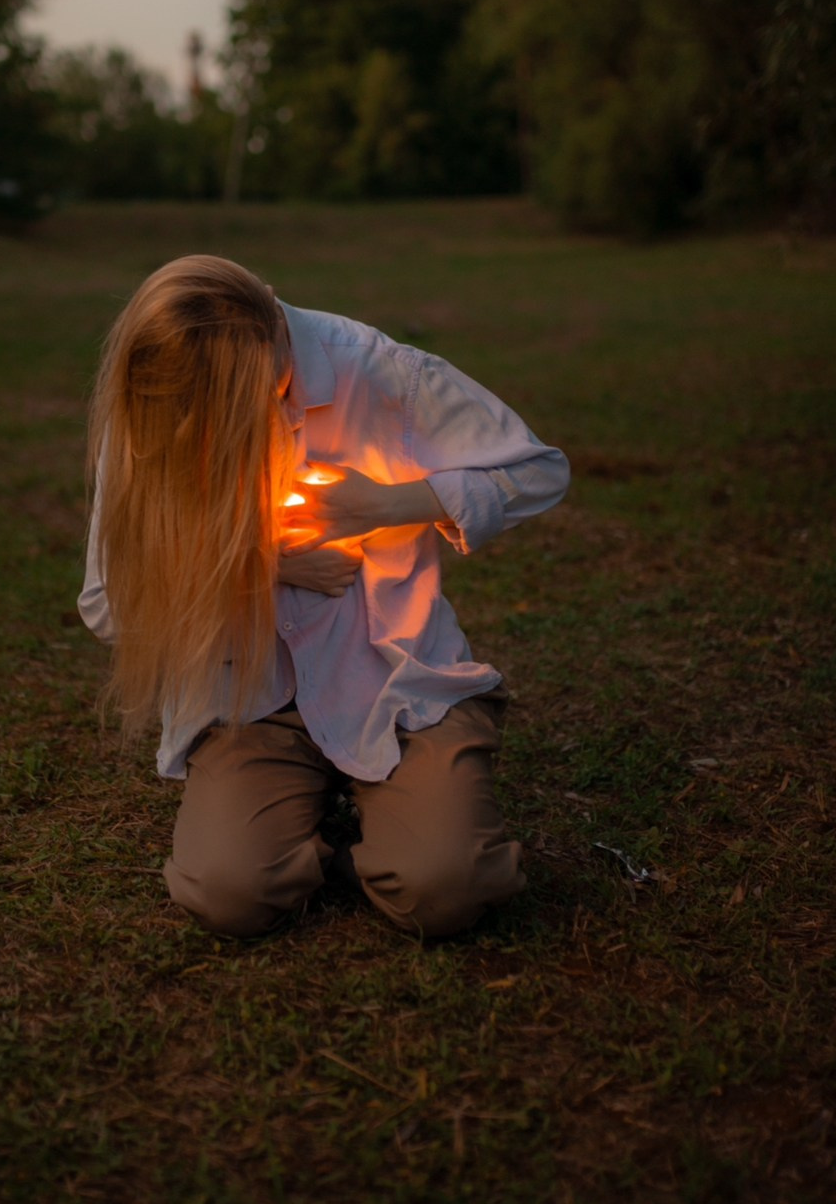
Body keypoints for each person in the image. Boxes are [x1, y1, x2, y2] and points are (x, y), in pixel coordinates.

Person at [79, 255, 569, 940]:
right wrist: (259, 566)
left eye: (267, 388)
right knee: (230, 894)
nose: (265, 417)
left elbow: (538, 470)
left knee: (445, 887)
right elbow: (108, 607)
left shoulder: (376, 370)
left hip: (393, 684)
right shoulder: (162, 403)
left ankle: (400, 825)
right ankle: (317, 827)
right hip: (250, 696)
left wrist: (393, 503)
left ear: (276, 313)